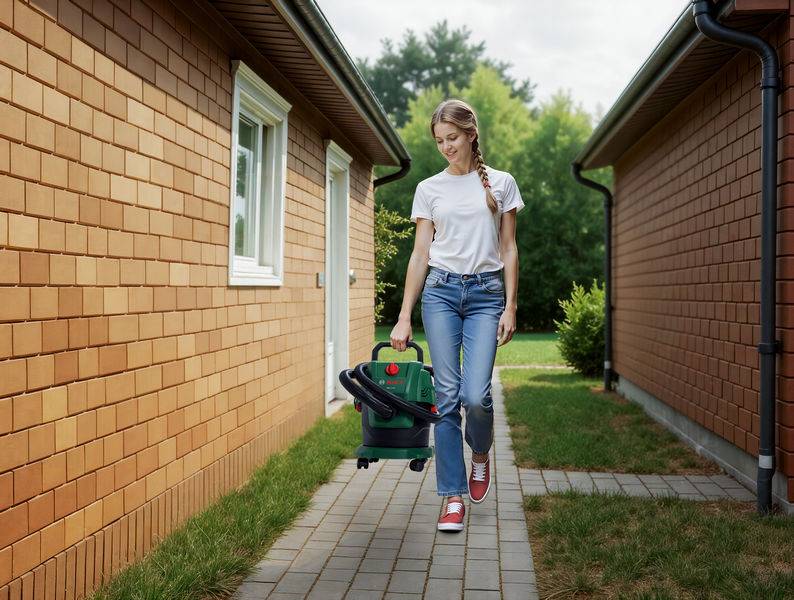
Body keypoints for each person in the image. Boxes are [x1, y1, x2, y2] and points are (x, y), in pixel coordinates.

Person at [389, 98, 524, 532]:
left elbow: (508, 248)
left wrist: (510, 305)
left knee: (475, 396)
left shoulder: (501, 184)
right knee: (446, 398)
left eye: (452, 138)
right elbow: (420, 254)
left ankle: (480, 454)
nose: (446, 147)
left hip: (486, 295)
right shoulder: (429, 188)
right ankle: (452, 496)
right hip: (441, 294)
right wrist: (404, 315)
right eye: (439, 141)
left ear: (471, 134)